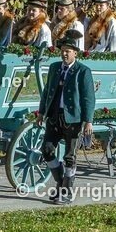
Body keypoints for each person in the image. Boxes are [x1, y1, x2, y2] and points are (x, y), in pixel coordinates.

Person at [36, 30, 94, 205]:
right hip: (54, 117)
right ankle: (61, 183)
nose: (64, 53)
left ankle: (66, 193)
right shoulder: (55, 68)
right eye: (62, 50)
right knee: (46, 149)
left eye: (68, 50)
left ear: (75, 53)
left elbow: (88, 97)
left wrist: (88, 120)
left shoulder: (82, 71)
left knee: (70, 157)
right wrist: (41, 112)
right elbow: (47, 92)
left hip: (73, 120)